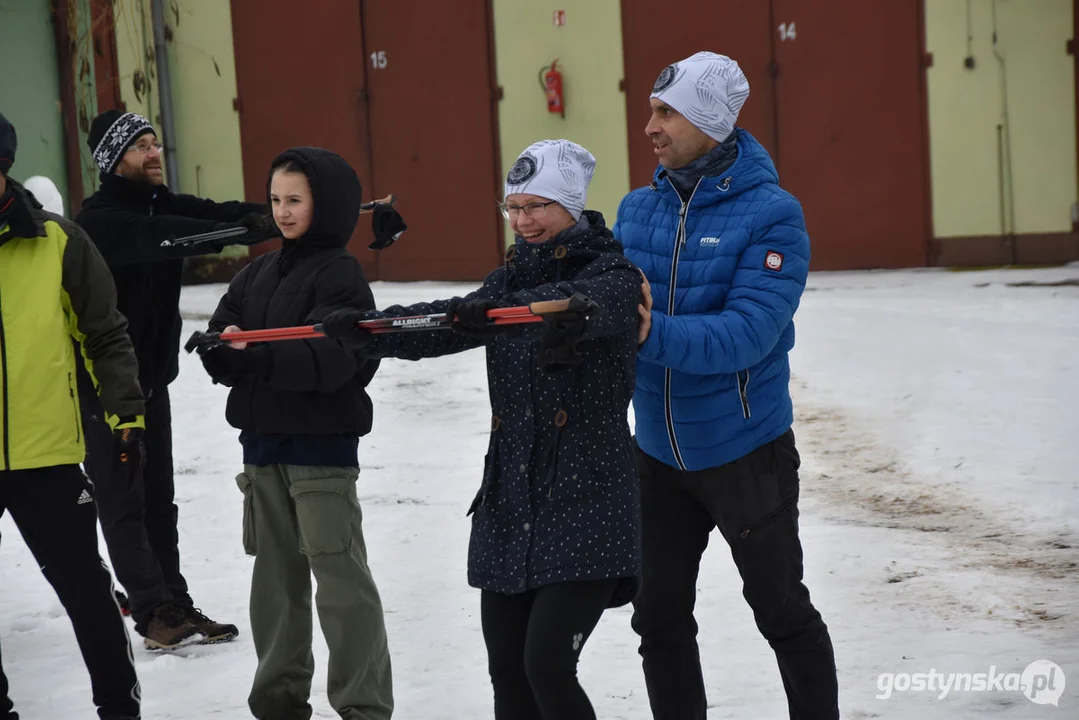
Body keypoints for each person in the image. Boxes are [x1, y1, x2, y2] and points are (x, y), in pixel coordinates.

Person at [320, 139, 643, 720]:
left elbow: (574, 305)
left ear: (571, 205)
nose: (523, 221)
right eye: (512, 208)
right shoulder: (506, 283)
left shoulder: (615, 278)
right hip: (509, 504)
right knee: (508, 674)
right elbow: (443, 326)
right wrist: (369, 329)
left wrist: (499, 314)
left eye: (536, 206)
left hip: (586, 504)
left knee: (547, 665)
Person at [614, 51, 840, 719]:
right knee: (655, 619)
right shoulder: (636, 209)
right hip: (655, 453)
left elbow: (748, 332)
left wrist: (647, 334)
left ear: (709, 119)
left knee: (780, 611)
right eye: (650, 110)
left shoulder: (771, 215)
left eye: (665, 111)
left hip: (745, 452)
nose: (648, 126)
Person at [195, 146, 393, 720]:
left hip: (320, 452)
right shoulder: (257, 271)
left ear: (324, 204)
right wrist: (223, 350)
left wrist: (251, 353)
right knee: (275, 585)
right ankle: (278, 702)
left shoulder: (341, 274)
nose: (282, 211)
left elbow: (336, 360)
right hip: (261, 448)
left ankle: (363, 705)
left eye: (295, 200)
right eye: (276, 199)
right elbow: (220, 331)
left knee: (340, 581)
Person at [75, 109, 277, 650]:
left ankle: (174, 602)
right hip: (102, 387)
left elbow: (211, 213)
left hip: (150, 381)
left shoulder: (158, 201)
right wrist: (247, 229)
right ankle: (151, 609)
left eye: (154, 141)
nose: (154, 152)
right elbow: (167, 237)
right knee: (124, 499)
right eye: (141, 146)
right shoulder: (101, 220)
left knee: (159, 497)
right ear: (113, 161)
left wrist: (285, 212)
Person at [0, 110, 142, 720]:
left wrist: (125, 418)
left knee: (86, 592)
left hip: (46, 454)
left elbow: (104, 334)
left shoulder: (56, 240)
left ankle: (119, 709)